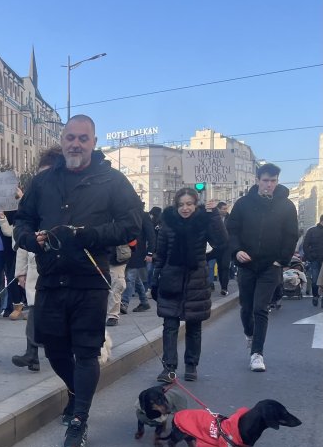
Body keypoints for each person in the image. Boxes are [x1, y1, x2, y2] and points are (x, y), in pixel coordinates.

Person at [13, 114, 142, 447]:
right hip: (52, 278)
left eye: (83, 138)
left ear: (94, 143)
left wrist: (89, 235)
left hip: (91, 279)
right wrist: (30, 239)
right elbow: (22, 220)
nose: (75, 144)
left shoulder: (111, 180)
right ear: (62, 139)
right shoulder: (44, 181)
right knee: (53, 347)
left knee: (85, 351)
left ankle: (79, 421)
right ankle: (76, 392)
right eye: (70, 137)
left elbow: (132, 223)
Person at [226, 163, 298, 372]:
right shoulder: (243, 204)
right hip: (246, 265)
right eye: (265, 180)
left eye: (273, 181)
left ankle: (257, 354)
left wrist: (281, 260)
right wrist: (236, 250)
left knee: (260, 309)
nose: (269, 185)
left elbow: (291, 235)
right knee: (246, 308)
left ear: (277, 181)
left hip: (270, 266)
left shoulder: (286, 206)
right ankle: (250, 334)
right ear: (257, 180)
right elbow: (232, 230)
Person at [151, 189, 227, 382]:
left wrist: (214, 215)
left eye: (189, 204)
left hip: (196, 281)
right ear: (176, 206)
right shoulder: (167, 223)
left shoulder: (203, 222)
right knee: (169, 325)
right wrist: (154, 280)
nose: (185, 208)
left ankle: (191, 365)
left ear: (195, 205)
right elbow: (160, 254)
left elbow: (221, 241)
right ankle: (169, 368)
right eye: (181, 204)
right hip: (171, 279)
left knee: (194, 326)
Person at [10, 147, 62, 368]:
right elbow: (23, 239)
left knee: (57, 314)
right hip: (35, 266)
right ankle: (32, 353)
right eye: (41, 172)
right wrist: (20, 271)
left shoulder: (65, 201)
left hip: (62, 268)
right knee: (34, 309)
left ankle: (57, 353)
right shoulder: (35, 201)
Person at [120, 207, 155, 314]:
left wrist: (150, 252)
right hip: (125, 251)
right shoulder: (121, 213)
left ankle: (124, 303)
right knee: (136, 279)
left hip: (138, 252)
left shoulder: (143, 215)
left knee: (130, 277)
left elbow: (151, 235)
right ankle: (144, 302)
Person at [301, 214, 323, 306]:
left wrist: (309, 256)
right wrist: (309, 257)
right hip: (315, 259)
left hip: (315, 258)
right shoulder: (312, 230)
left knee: (316, 279)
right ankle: (316, 296)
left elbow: (305, 245)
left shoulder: (311, 230)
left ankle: (318, 297)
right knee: (315, 279)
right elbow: (305, 245)